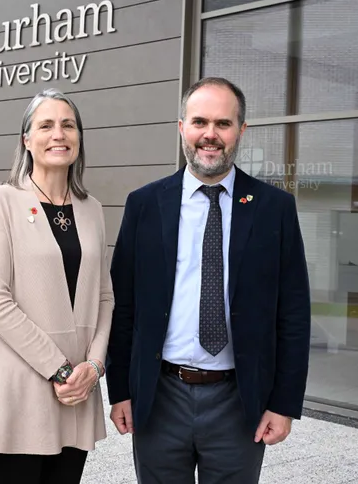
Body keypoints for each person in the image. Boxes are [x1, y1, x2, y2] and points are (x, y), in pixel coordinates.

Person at [105, 77, 311, 483]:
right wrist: (120, 391)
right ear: (181, 126)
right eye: (199, 122)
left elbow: (294, 313)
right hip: (159, 397)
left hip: (239, 402)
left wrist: (283, 403)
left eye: (223, 123)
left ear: (241, 131)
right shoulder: (144, 205)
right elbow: (122, 304)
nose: (210, 135)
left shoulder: (274, 209)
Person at [0, 88, 114, 484]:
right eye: (45, 125)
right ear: (26, 140)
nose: (58, 134)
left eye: (68, 125)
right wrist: (60, 370)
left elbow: (104, 296)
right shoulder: (1, 201)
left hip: (77, 391)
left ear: (79, 138)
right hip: (16, 392)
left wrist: (93, 368)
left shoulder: (92, 209)